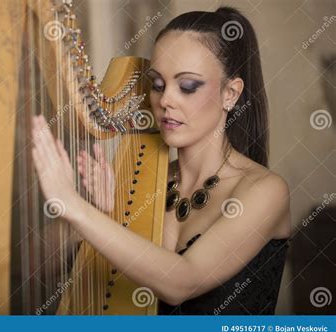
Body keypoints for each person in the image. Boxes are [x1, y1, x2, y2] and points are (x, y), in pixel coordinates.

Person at [31, 6, 292, 315]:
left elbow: (182, 282)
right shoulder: (143, 184)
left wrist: (74, 205)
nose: (166, 100)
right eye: (157, 84)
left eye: (187, 86)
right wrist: (96, 212)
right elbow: (33, 266)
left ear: (231, 94)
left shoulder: (265, 191)